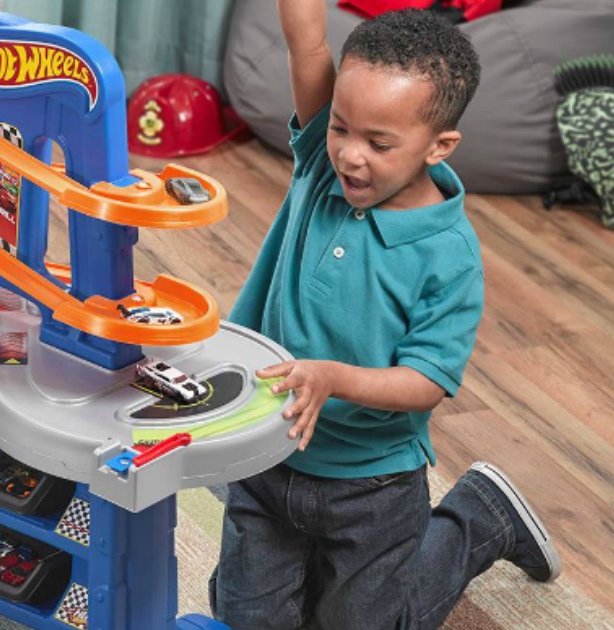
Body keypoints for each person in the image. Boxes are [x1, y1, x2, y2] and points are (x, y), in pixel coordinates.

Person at [211, 3, 561, 628]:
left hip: (370, 485)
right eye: (340, 127)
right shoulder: (320, 164)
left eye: (378, 143)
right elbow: (306, 41)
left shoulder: (449, 255)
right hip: (267, 454)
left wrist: (332, 378)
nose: (350, 155)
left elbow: (427, 381)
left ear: (439, 147)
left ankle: (483, 516)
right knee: (244, 618)